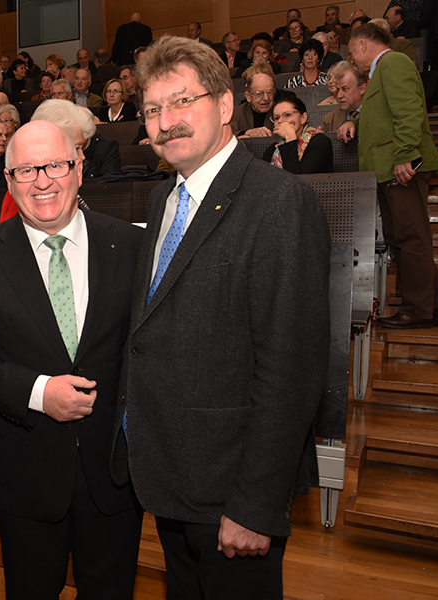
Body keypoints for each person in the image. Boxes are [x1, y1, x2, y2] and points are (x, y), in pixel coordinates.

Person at [115, 35, 331, 598]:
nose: (167, 122)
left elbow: (292, 369)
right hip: (171, 475)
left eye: (183, 102)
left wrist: (256, 504)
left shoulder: (280, 202)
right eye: (154, 109)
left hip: (233, 491)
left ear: (227, 105)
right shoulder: (164, 199)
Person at [0, 119, 144, 598]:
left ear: (78, 169)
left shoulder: (132, 245)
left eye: (55, 165)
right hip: (27, 476)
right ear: (9, 180)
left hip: (115, 473)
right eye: (27, 170)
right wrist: (38, 392)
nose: (42, 181)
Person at [339, 23, 438, 328]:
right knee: (399, 237)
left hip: (400, 167)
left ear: (363, 45)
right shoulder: (379, 73)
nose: (352, 60)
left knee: (410, 237)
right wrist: (356, 124)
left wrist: (405, 155)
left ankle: (417, 310)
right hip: (388, 169)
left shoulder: (393, 62)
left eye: (351, 53)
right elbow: (385, 118)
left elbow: (409, 110)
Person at [263, 97, 334, 173]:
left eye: (287, 115)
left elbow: (297, 179)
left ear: (303, 118)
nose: (280, 121)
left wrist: (290, 139)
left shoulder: (320, 142)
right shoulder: (271, 150)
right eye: (277, 118)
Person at [321, 61, 367, 132]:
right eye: (338, 89)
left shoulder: (376, 113)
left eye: (345, 89)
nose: (339, 96)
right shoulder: (330, 120)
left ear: (362, 89)